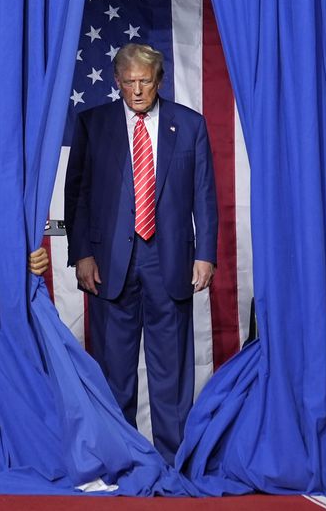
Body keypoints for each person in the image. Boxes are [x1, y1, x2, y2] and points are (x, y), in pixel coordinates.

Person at [64, 43, 217, 463]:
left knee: (171, 374)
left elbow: (204, 195)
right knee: (114, 374)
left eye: (144, 81)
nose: (136, 90)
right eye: (128, 81)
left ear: (159, 81)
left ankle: (173, 466)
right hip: (109, 263)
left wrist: (205, 254)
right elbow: (76, 195)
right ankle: (122, 462)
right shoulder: (93, 124)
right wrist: (82, 254)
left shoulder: (189, 126)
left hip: (170, 262)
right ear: (116, 81)